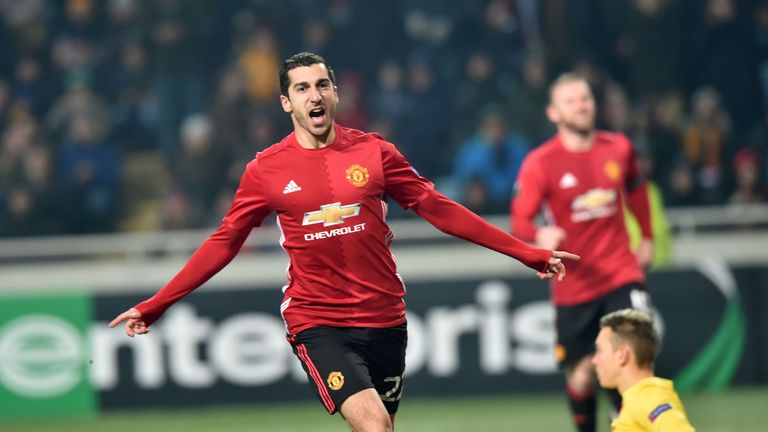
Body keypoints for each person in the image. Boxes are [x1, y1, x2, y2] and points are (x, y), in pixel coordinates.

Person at [109, 52, 579, 432]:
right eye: (301, 88)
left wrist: (527, 252)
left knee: (382, 428)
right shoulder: (265, 171)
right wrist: (157, 304)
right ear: (286, 103)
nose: (314, 95)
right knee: (374, 425)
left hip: (385, 317)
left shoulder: (374, 152)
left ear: (335, 94)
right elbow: (224, 241)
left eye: (321, 85)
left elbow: (440, 209)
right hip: (318, 320)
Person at [510, 72, 654, 432]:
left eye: (585, 98)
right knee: (583, 375)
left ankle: (625, 421)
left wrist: (647, 236)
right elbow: (520, 220)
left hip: (621, 273)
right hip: (573, 284)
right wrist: (539, 233)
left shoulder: (619, 147)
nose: (581, 106)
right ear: (553, 113)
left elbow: (636, 190)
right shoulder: (540, 163)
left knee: (632, 362)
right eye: (571, 101)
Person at [593, 309, 695, 431]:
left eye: (599, 350)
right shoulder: (637, 398)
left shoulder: (649, 397)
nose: (594, 360)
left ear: (622, 355)